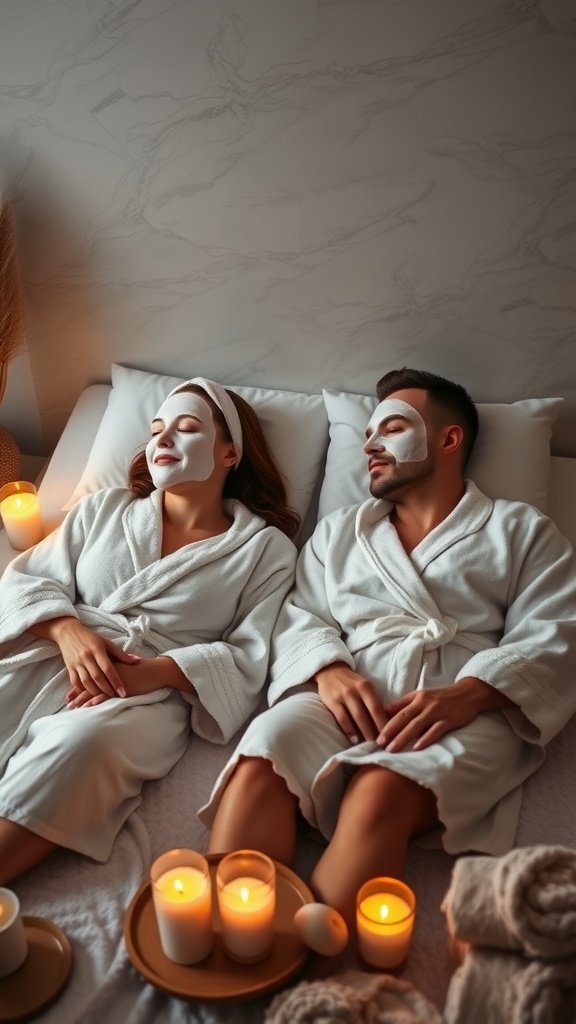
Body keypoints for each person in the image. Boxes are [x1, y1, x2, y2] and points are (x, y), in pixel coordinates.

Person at [201, 367, 576, 925]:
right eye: (368, 433)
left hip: (465, 705)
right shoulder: (339, 532)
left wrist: (470, 694)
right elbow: (301, 614)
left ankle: (310, 956)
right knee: (262, 756)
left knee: (381, 790)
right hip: (347, 692)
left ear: (449, 440)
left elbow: (558, 629)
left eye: (392, 428)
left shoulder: (520, 530)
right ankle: (225, 934)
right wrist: (328, 671)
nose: (370, 445)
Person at [0, 378, 299, 884]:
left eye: (187, 428)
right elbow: (27, 578)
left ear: (230, 454)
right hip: (54, 656)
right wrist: (69, 632)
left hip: (146, 694)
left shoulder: (264, 550)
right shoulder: (104, 508)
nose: (163, 438)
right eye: (157, 428)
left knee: (82, 746)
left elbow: (250, 655)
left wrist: (154, 673)